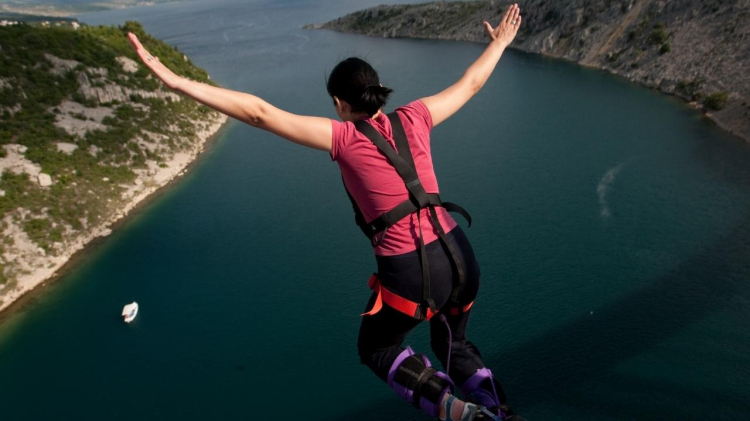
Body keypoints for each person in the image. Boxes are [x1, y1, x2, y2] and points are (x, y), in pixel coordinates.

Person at [128, 4, 524, 420]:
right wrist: (498, 43)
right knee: (454, 343)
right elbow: (472, 84)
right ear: (379, 90)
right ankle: (497, 409)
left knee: (377, 349)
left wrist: (177, 82)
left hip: (413, 269)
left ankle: (455, 411)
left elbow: (260, 113)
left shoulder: (345, 137)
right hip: (460, 253)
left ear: (339, 103)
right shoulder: (416, 116)